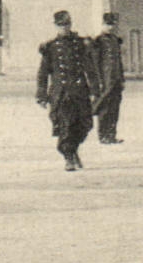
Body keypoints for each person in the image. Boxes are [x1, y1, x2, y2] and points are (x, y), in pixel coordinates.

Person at [37, 10, 100, 171]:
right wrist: (41, 95)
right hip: (61, 93)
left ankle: (73, 150)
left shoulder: (80, 44)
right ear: (55, 26)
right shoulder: (50, 47)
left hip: (80, 91)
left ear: (71, 24)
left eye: (66, 24)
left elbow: (90, 68)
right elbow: (43, 73)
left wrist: (95, 90)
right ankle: (68, 157)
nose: (64, 28)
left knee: (85, 124)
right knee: (66, 126)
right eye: (60, 25)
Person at [91, 11, 126, 145]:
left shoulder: (115, 40)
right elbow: (96, 63)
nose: (110, 27)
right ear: (103, 24)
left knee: (115, 108)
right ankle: (103, 135)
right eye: (108, 24)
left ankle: (112, 135)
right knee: (104, 108)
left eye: (112, 25)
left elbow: (119, 61)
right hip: (105, 80)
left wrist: (122, 79)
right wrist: (99, 81)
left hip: (116, 79)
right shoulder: (98, 41)